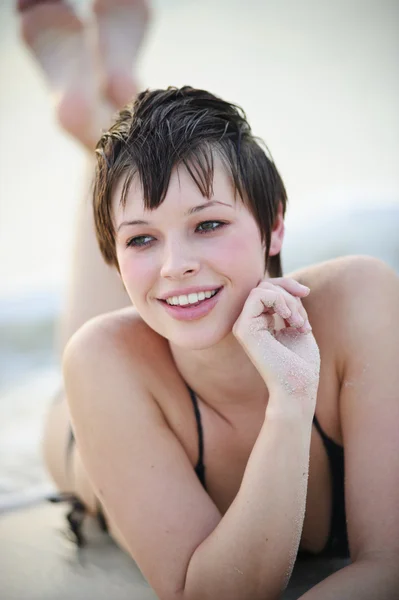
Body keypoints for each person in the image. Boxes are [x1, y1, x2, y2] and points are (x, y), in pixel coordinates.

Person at [17, 5, 399, 600]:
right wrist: (289, 410)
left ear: (274, 226)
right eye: (142, 240)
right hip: (92, 425)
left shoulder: (361, 300)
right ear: (117, 263)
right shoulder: (103, 360)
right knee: (98, 333)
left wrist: (293, 387)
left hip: (151, 348)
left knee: (141, 226)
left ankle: (103, 116)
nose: (175, 264)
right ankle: (100, 126)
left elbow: (390, 566)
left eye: (209, 224)